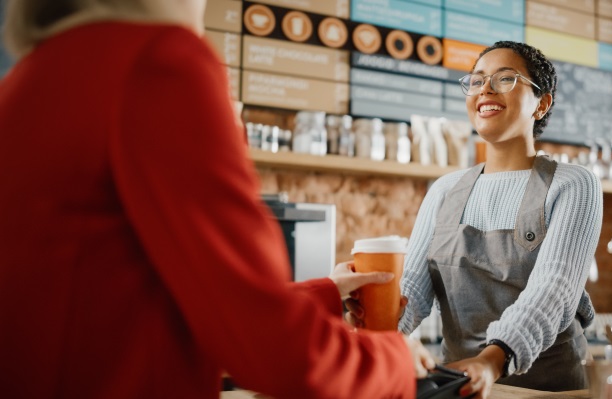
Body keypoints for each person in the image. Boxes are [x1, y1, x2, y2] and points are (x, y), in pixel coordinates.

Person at [0, 0, 434, 398]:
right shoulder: (159, 60)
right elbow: (272, 351)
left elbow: (139, 298)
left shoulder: (30, 78)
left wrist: (322, 294)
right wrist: (393, 360)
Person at [347, 41, 603, 396]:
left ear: (541, 104)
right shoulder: (444, 190)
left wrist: (492, 360)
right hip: (461, 387)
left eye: (505, 79)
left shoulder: (573, 184)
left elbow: (554, 289)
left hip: (548, 391)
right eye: (477, 80)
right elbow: (412, 293)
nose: (485, 88)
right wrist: (376, 331)